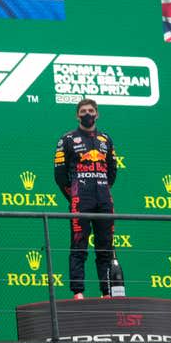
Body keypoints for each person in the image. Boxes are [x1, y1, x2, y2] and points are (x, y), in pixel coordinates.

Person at [54, 99, 117, 299]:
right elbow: (60, 175)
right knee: (79, 245)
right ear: (77, 115)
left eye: (90, 110)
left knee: (105, 246)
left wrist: (101, 187)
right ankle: (78, 292)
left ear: (97, 114)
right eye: (83, 111)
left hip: (104, 199)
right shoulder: (67, 139)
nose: (87, 114)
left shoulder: (106, 140)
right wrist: (74, 195)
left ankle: (107, 292)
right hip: (81, 199)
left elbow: (112, 172)